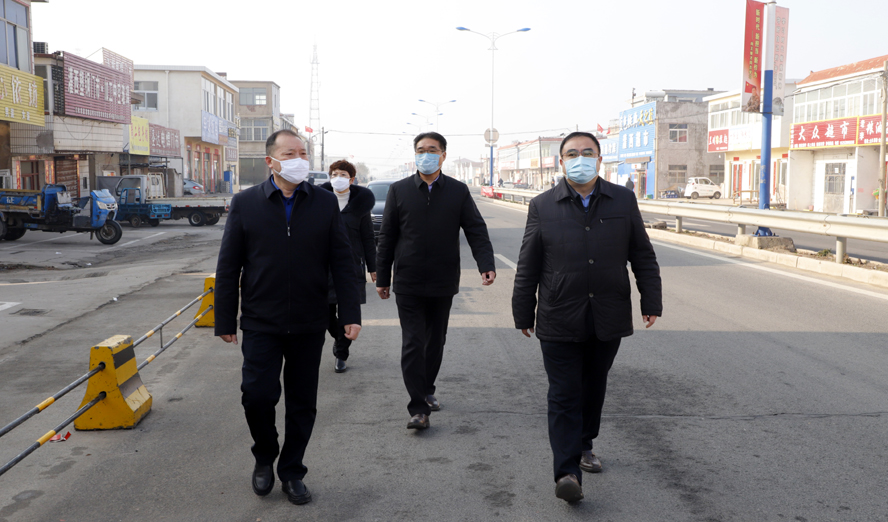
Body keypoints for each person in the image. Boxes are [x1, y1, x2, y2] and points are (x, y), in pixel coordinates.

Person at [512, 131, 662, 503]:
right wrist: (522, 310)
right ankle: (567, 473)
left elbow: (642, 254)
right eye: (572, 153)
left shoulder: (623, 199)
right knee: (563, 393)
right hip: (558, 314)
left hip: (608, 313)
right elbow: (528, 263)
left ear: (599, 159)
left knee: (593, 387)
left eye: (587, 152)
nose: (580, 158)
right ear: (561, 161)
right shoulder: (543, 205)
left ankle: (584, 443)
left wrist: (651, 299)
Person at [214, 129, 362, 506]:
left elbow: (343, 262)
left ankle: (292, 470)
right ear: (271, 162)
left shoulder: (324, 203)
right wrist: (224, 319)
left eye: (303, 153)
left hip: (310, 321)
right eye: (290, 154)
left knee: (302, 402)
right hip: (261, 320)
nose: (299, 160)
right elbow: (228, 266)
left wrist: (350, 313)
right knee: (257, 395)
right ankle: (265, 455)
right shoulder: (246, 203)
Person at [376, 131, 496, 430]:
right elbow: (387, 236)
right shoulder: (399, 190)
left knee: (435, 341)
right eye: (420, 150)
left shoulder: (458, 191)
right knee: (413, 342)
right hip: (408, 279)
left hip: (443, 279)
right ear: (414, 154)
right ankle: (418, 408)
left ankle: (427, 389)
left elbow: (476, 229)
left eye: (432, 150)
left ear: (443, 155)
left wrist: (486, 264)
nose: (425, 155)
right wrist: (383, 276)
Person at [319, 159, 376, 373]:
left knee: (348, 313)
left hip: (351, 267)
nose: (338, 178)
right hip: (323, 267)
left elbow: (368, 238)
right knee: (324, 312)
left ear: (351, 180)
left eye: (343, 175)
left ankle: (341, 354)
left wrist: (373, 267)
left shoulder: (360, 207)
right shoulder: (319, 202)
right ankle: (340, 336)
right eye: (334, 174)